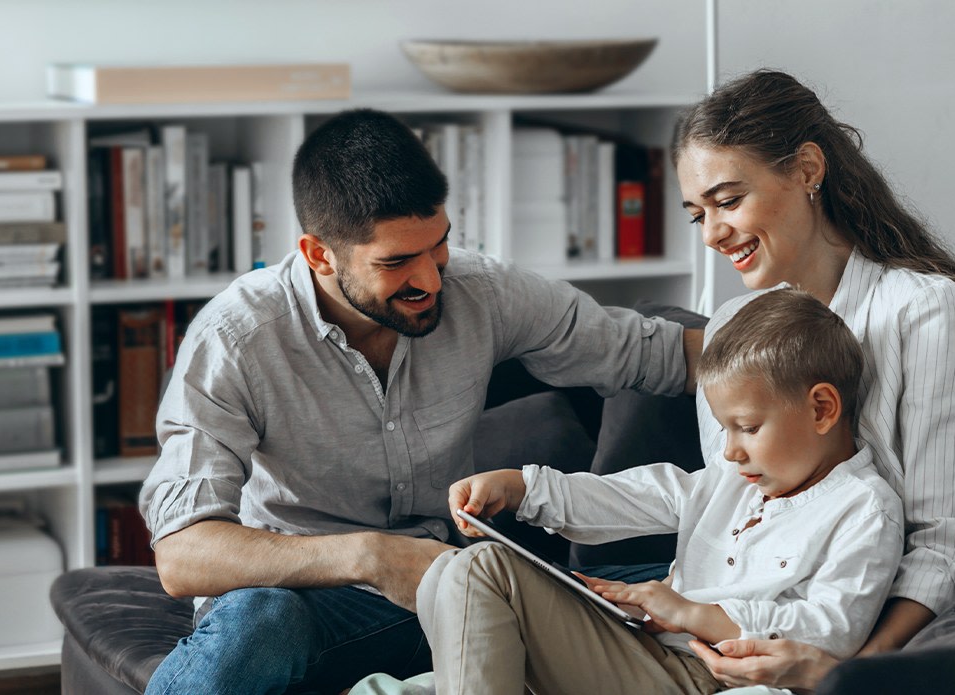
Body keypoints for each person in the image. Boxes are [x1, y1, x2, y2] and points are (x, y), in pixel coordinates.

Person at [136, 108, 704, 695]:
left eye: (439, 246)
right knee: (260, 621)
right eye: (395, 262)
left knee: (695, 586)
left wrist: (797, 338)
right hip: (308, 605)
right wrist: (373, 557)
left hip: (456, 590)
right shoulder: (238, 338)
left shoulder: (482, 293)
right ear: (319, 254)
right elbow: (184, 555)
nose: (430, 280)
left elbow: (662, 354)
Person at [353, 288, 904, 695]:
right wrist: (522, 488)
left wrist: (693, 613)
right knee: (447, 575)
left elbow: (834, 630)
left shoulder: (863, 508)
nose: (730, 451)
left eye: (748, 428)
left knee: (482, 569)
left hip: (702, 677)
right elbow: (635, 495)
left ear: (822, 409)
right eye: (724, 430)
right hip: (643, 650)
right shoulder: (732, 481)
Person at [673, 69, 955, 691]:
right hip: (725, 631)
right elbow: (728, 502)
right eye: (696, 215)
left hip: (849, 633)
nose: (711, 234)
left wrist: (843, 672)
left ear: (808, 170)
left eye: (729, 201)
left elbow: (939, 545)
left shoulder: (923, 312)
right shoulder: (731, 325)